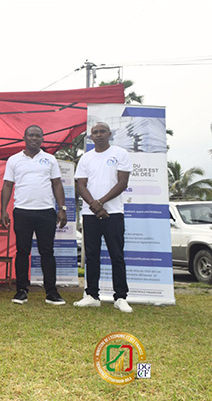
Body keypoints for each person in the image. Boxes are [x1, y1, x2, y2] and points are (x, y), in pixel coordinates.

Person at [0, 125, 68, 306]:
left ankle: (51, 292)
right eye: (31, 135)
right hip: (22, 211)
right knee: (22, 252)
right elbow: (7, 185)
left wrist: (62, 208)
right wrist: (3, 210)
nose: (34, 138)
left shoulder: (50, 159)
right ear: (24, 137)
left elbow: (57, 184)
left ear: (42, 139)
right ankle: (21, 291)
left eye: (38, 136)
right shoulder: (14, 160)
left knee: (47, 252)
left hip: (46, 211)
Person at [74, 122, 133, 313]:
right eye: (95, 132)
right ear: (91, 136)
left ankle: (121, 297)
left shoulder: (120, 153)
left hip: (113, 212)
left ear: (109, 134)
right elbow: (81, 184)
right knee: (92, 255)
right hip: (90, 214)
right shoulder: (86, 158)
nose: (98, 135)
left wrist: (101, 202)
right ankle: (92, 295)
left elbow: (122, 183)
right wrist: (95, 205)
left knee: (117, 255)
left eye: (102, 131)